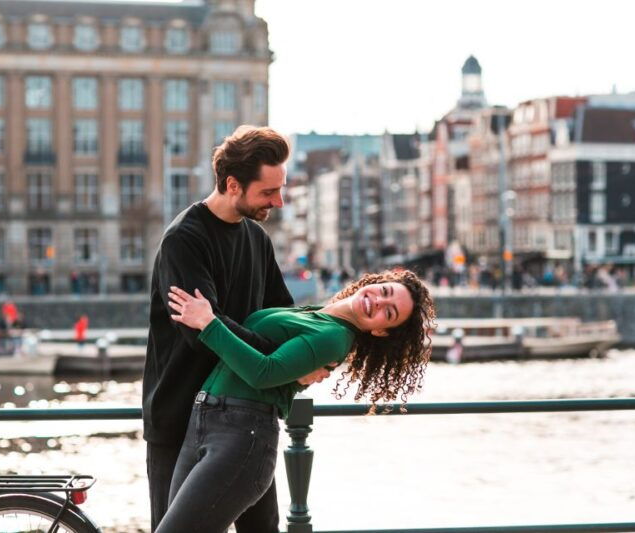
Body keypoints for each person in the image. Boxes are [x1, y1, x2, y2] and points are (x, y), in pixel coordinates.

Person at [143, 125, 330, 532]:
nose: (278, 201)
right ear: (232, 185)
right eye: (268, 192)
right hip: (179, 417)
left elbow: (283, 318)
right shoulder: (183, 240)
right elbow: (201, 335)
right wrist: (280, 362)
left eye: (280, 190)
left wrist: (301, 352)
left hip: (245, 419)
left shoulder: (257, 239)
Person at [157, 269, 435, 532]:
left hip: (240, 438)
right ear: (374, 282)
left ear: (381, 331)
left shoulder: (334, 337)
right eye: (385, 291)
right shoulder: (316, 314)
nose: (378, 301)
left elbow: (264, 373)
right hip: (207, 421)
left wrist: (208, 323)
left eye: (389, 312)